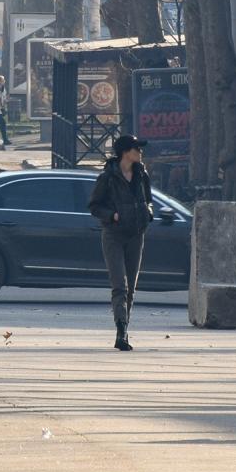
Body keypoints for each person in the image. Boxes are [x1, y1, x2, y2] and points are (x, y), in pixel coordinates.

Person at [89, 134, 152, 351]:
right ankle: (121, 332)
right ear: (126, 151)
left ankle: (124, 331)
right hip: (113, 235)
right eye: (136, 148)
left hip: (136, 234)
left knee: (131, 288)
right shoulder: (108, 177)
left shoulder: (141, 174)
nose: (140, 152)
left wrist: (148, 213)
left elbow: (149, 199)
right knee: (120, 286)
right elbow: (94, 206)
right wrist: (112, 216)